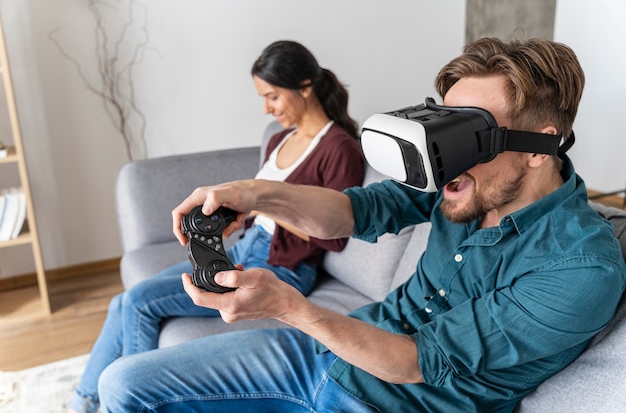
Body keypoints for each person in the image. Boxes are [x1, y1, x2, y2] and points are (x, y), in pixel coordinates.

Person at [97, 37, 626, 413]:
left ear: (539, 149)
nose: (444, 159)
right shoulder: (464, 185)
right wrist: (254, 194)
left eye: (470, 136)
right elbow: (354, 212)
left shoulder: (581, 267)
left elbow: (418, 362)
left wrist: (286, 305)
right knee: (122, 383)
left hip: (385, 400)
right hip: (334, 351)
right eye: (445, 123)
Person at [67, 40, 365, 413]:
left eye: (272, 96)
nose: (267, 108)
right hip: (244, 247)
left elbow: (336, 234)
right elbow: (257, 207)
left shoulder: (339, 147)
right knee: (125, 300)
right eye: (263, 97)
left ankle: (106, 403)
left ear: (305, 86)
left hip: (282, 267)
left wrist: (271, 207)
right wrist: (222, 220)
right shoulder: (279, 137)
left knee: (141, 304)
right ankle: (86, 400)